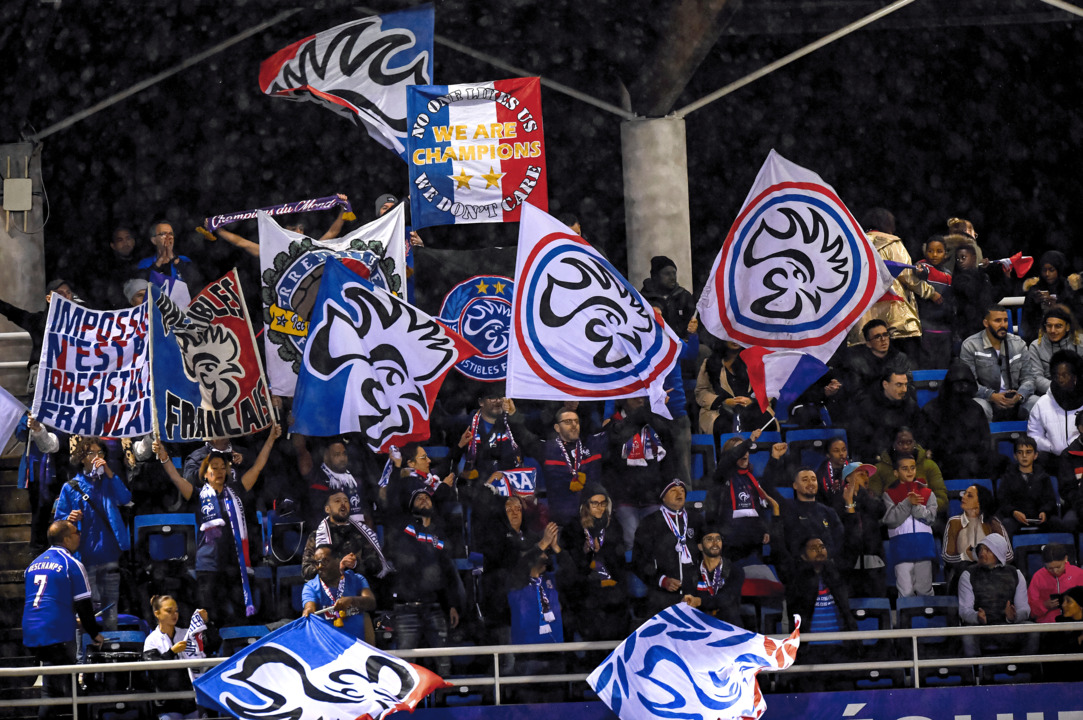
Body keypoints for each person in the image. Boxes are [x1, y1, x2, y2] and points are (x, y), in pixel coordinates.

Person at [154, 426, 281, 626]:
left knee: (239, 618)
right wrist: (163, 457)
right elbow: (176, 478)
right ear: (205, 474)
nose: (220, 472)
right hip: (208, 565)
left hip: (235, 565)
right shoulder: (197, 495)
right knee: (208, 620)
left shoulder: (238, 490)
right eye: (214, 468)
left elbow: (257, 466)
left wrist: (271, 439)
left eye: (223, 468)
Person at [23, 521, 104, 719]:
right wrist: (95, 634)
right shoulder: (71, 564)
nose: (79, 535)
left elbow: (44, 601)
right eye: (76, 532)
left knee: (54, 688)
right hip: (57, 633)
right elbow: (84, 606)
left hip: (31, 632)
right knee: (69, 692)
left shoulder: (32, 565)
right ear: (66, 539)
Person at [53, 436, 131, 633]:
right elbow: (58, 525)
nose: (97, 457)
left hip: (110, 555)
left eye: (100, 453)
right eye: (92, 453)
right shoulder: (70, 487)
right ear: (82, 458)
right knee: (88, 612)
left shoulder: (108, 482)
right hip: (84, 559)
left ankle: (109, 659)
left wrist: (110, 473)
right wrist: (68, 518)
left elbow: (125, 498)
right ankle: (86, 657)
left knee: (111, 612)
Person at [384, 489, 465, 677]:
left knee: (444, 661)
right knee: (405, 665)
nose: (423, 499)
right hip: (406, 608)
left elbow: (448, 571)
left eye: (427, 498)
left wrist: (452, 604)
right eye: (418, 498)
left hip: (434, 606)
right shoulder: (403, 527)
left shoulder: (440, 533)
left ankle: (443, 704)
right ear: (410, 506)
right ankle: (405, 704)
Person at [845, 208, 939, 361]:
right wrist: (931, 293)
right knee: (901, 367)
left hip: (862, 315)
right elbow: (907, 276)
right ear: (887, 224)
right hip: (895, 315)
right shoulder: (892, 243)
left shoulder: (853, 246)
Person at [559, 485, 629, 641]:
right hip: (585, 594)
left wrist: (603, 551)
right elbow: (569, 567)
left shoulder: (613, 526)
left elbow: (618, 563)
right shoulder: (573, 528)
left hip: (611, 595)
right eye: (595, 503)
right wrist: (585, 552)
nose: (600, 507)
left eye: (603, 503)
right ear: (586, 505)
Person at [606, 396, 673, 547]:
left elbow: (668, 454)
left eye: (643, 397)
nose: (640, 400)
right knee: (632, 543)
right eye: (635, 397)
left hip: (653, 498)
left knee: (657, 544)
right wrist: (637, 417)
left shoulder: (654, 424)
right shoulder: (613, 425)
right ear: (623, 400)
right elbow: (612, 457)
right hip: (625, 500)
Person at [957, 533, 1036, 659]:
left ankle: (1026, 670)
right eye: (981, 549)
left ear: (998, 552)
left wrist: (1013, 617)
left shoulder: (1015, 573)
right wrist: (977, 617)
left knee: (1033, 630)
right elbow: (964, 610)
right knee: (968, 635)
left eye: (988, 550)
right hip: (981, 628)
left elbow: (1024, 609)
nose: (982, 553)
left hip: (1009, 627)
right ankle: (975, 674)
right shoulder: (968, 574)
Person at [143, 595, 220, 720]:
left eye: (176, 610)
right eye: (169, 611)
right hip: (167, 703)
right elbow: (154, 670)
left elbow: (213, 644)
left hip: (191, 701)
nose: (174, 614)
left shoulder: (185, 634)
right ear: (157, 613)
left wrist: (207, 623)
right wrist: (172, 652)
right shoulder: (152, 640)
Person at [706, 436, 779, 563]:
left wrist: (765, 529)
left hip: (753, 543)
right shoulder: (721, 477)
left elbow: (758, 507)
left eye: (746, 449)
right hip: (730, 544)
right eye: (740, 449)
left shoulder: (752, 479)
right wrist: (749, 440)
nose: (744, 452)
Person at [632, 480, 698, 617]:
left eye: (682, 491)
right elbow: (638, 561)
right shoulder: (649, 524)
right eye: (673, 490)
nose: (679, 494)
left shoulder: (696, 520)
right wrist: (662, 580)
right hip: (661, 597)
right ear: (663, 496)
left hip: (694, 595)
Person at [960, 305, 1036, 421]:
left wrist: (1019, 396)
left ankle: (1030, 439)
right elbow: (969, 383)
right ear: (986, 323)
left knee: (1037, 403)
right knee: (978, 406)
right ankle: (986, 439)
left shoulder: (1018, 344)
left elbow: (1029, 378)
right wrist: (991, 396)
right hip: (987, 399)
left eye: (1005, 320)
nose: (1003, 325)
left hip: (1016, 400)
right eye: (997, 321)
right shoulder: (970, 345)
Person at [920, 360, 991, 480]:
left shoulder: (976, 409)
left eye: (965, 384)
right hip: (942, 463)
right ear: (949, 385)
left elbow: (985, 442)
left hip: (972, 463)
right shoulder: (931, 410)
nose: (962, 389)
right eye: (957, 384)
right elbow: (925, 445)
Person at [0, 278, 74, 393]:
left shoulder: (79, 324)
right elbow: (12, 312)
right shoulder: (37, 321)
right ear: (49, 298)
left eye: (68, 292)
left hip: (70, 383)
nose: (65, 296)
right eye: (59, 293)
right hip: (43, 382)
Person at [301, 490, 391, 584]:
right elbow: (306, 572)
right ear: (327, 509)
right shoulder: (316, 536)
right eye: (337, 501)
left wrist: (356, 564)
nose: (343, 504)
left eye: (346, 501)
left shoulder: (361, 532)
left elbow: (376, 566)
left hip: (358, 589)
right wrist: (333, 566)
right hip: (329, 591)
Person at [881, 453, 938, 597]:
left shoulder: (927, 493)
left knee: (925, 589)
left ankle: (927, 619)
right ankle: (906, 619)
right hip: (902, 548)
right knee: (905, 591)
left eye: (912, 468)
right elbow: (891, 520)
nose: (910, 471)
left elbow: (931, 518)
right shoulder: (889, 494)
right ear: (896, 472)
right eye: (905, 468)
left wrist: (916, 507)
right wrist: (907, 502)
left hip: (924, 547)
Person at [942, 483, 1014, 589]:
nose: (963, 497)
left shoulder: (993, 523)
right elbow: (946, 556)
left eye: (969, 495)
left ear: (979, 502)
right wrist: (964, 556)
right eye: (964, 494)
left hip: (989, 570)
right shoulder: (954, 522)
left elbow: (1009, 555)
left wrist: (988, 559)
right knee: (965, 567)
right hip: (964, 572)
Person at [778, 466, 845, 579]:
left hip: (828, 570)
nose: (810, 483)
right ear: (795, 485)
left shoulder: (828, 511)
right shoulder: (787, 509)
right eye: (805, 480)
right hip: (798, 572)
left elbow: (839, 539)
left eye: (813, 479)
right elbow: (782, 542)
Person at [302, 544, 377, 642]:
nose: (319, 567)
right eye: (317, 563)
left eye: (324, 561)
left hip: (357, 647)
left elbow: (371, 602)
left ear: (338, 559)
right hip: (330, 648)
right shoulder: (311, 587)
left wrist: (351, 601)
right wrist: (308, 611)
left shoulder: (357, 579)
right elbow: (309, 606)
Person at [695, 341, 772, 435]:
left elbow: (769, 389)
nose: (735, 340)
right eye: (730, 337)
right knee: (723, 424)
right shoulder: (709, 363)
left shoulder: (754, 362)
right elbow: (701, 391)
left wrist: (751, 401)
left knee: (764, 420)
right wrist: (723, 402)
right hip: (719, 411)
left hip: (752, 409)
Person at [996, 435, 1069, 536]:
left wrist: (1044, 512)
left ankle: (1057, 551)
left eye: (1028, 452)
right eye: (1020, 452)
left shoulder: (1044, 476)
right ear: (1015, 456)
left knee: (1057, 524)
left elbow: (1050, 500)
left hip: (1039, 518)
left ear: (1035, 455)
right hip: (1015, 518)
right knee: (1006, 525)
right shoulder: (1007, 477)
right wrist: (1014, 512)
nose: (1024, 456)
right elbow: (1003, 501)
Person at [838, 462, 887, 599]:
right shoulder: (839, 499)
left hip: (875, 560)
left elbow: (880, 511)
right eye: (860, 474)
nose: (866, 477)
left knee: (877, 604)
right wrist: (850, 500)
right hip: (849, 564)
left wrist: (861, 494)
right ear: (848, 478)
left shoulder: (872, 497)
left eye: (867, 474)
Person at [848, 370, 921, 462]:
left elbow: (920, 435)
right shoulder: (868, 407)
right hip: (876, 461)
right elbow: (860, 442)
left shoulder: (911, 406)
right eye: (899, 385)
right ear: (885, 385)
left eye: (905, 385)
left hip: (908, 461)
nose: (904, 389)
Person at [681, 523, 745, 627]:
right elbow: (690, 602)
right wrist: (690, 601)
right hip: (700, 627)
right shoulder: (690, 573)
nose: (715, 543)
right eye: (709, 539)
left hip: (729, 627)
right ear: (700, 546)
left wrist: (700, 601)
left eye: (718, 539)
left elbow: (727, 599)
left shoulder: (735, 570)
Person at [1027, 350, 1083, 464]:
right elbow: (1033, 435)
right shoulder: (1042, 403)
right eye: (1057, 376)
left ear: (1074, 376)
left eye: (1064, 375)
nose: (1060, 379)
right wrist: (1052, 447)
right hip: (1053, 460)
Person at [839, 319, 914, 402]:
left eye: (885, 335)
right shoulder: (857, 363)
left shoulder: (900, 358)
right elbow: (857, 394)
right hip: (870, 409)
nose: (883, 339)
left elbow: (909, 387)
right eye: (877, 337)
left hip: (897, 405)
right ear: (868, 343)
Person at [1021, 250, 1082, 343]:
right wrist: (1035, 304)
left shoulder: (1067, 289)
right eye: (1044, 270)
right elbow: (1026, 321)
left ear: (1058, 269)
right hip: (1039, 339)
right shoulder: (1034, 290)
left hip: (1066, 338)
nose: (1047, 274)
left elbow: (1077, 316)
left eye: (1051, 270)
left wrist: (1057, 307)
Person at [1024, 305, 1083, 399]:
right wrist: (1059, 389)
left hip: (1077, 391)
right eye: (1049, 326)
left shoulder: (1080, 343)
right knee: (1032, 401)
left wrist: (1074, 387)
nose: (1052, 330)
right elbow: (1036, 378)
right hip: (1047, 394)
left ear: (1067, 327)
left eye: (1058, 326)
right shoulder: (1035, 346)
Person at [914, 235, 954, 369]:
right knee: (926, 366)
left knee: (943, 367)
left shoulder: (948, 274)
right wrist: (919, 271)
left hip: (944, 329)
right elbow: (919, 272)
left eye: (939, 251)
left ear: (946, 254)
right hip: (925, 327)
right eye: (930, 251)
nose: (934, 255)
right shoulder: (922, 266)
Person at [137, 220, 203, 293]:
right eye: (163, 234)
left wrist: (174, 258)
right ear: (154, 240)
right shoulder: (145, 263)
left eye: (171, 234)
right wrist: (161, 259)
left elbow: (195, 281)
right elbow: (142, 287)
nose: (168, 237)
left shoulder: (184, 260)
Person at [639, 255, 696, 340]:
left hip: (682, 345)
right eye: (667, 274)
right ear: (655, 276)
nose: (672, 278)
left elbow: (694, 324)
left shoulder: (684, 296)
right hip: (656, 346)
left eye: (674, 273)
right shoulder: (643, 299)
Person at [951, 242, 995, 347]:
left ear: (974, 258)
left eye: (963, 257)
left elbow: (994, 297)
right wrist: (981, 271)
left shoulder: (984, 277)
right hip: (968, 329)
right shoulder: (957, 279)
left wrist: (1006, 277)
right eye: (958, 259)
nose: (960, 261)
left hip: (986, 326)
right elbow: (971, 291)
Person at [1027, 543, 1083, 624]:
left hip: (1076, 622)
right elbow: (1030, 611)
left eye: (1058, 567)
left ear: (1066, 559)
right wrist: (1044, 606)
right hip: (1047, 625)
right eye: (1050, 568)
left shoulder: (1079, 574)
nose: (1055, 571)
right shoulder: (1038, 577)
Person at [814, 436, 851, 515]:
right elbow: (819, 503)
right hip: (830, 514)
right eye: (836, 451)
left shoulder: (853, 470)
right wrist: (832, 492)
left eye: (844, 450)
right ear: (828, 454)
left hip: (851, 511)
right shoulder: (820, 475)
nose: (841, 454)